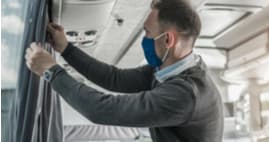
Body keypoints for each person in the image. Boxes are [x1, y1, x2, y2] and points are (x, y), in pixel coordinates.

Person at [25, 0, 223, 141]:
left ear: (168, 40)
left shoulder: (185, 94)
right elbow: (115, 78)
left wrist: (51, 71)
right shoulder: (169, 68)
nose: (144, 38)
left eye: (147, 32)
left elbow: (101, 110)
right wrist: (66, 49)